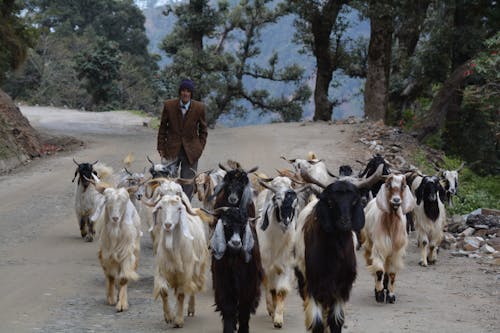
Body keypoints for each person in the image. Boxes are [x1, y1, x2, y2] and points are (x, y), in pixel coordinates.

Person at [157, 79, 208, 199]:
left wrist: (199, 148)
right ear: (180, 92)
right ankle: (168, 206)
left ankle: (185, 209)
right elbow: (163, 128)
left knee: (188, 183)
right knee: (168, 181)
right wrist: (160, 147)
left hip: (191, 152)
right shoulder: (169, 105)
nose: (185, 93)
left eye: (188, 91)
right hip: (171, 149)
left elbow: (203, 130)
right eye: (183, 91)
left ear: (191, 94)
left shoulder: (199, 107)